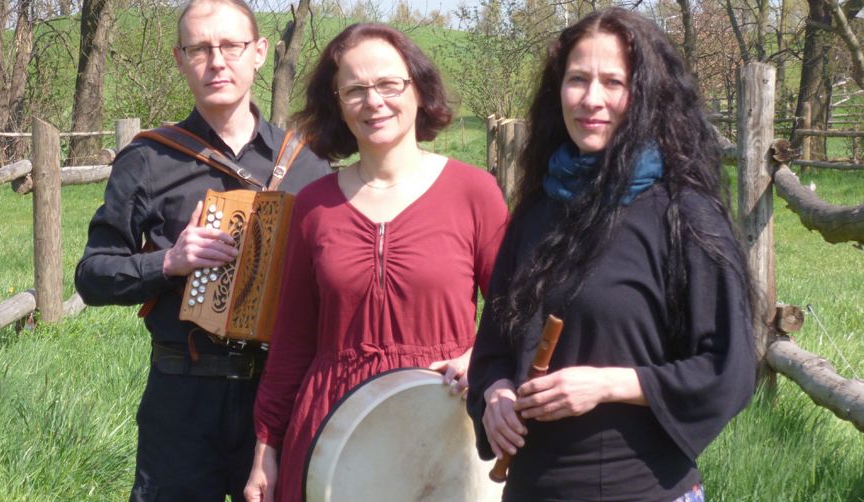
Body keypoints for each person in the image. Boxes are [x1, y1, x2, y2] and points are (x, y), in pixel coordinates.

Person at [467, 8, 757, 502]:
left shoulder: (684, 215)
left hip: (644, 489)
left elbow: (726, 368)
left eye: (613, 82)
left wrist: (609, 385)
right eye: (578, 79)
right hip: (532, 489)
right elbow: (493, 349)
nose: (592, 99)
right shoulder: (537, 210)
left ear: (645, 95)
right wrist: (494, 395)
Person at [74, 0, 330, 500]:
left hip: (282, 394)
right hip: (182, 394)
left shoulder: (308, 164)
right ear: (179, 59)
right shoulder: (148, 159)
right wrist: (169, 262)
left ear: (258, 53)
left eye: (231, 46)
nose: (217, 61)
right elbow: (92, 276)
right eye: (200, 48)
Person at [243, 23, 509, 502]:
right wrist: (266, 446)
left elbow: (518, 309)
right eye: (356, 89)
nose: (374, 101)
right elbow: (292, 340)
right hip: (331, 432)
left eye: (390, 84)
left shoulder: (474, 193)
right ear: (338, 103)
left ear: (419, 89)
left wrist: (480, 358)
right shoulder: (313, 206)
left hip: (445, 433)